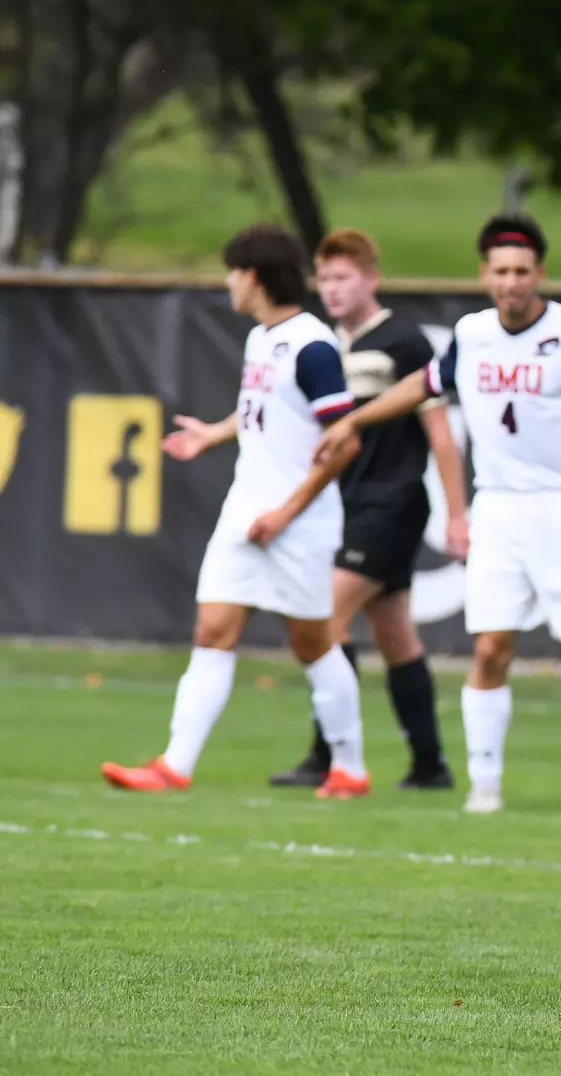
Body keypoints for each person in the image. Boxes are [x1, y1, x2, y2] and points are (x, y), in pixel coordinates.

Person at [313, 213, 561, 818]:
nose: (511, 282)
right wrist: (355, 419)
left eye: (522, 271)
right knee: (490, 647)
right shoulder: (472, 334)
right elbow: (424, 385)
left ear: (539, 273)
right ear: (485, 275)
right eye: (500, 271)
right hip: (499, 512)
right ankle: (484, 786)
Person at [101, 225, 370, 798]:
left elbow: (344, 442)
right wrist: (215, 434)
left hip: (297, 523)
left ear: (252, 276)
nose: (228, 283)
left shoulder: (313, 346)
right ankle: (174, 765)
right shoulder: (260, 339)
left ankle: (349, 767)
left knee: (312, 643)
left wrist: (286, 512)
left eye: (231, 271)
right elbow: (268, 415)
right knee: (212, 631)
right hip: (243, 510)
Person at [268, 227, 467, 791]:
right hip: (344, 503)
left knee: (323, 619)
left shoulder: (403, 342)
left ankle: (329, 757)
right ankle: (430, 766)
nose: (330, 289)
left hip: (392, 502)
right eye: (323, 278)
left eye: (342, 278)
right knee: (395, 634)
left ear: (371, 279)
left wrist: (457, 514)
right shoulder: (325, 345)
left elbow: (440, 434)